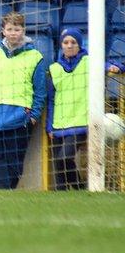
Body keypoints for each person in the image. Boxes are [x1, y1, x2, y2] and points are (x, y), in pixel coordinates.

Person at [46, 28, 125, 190]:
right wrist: (49, 126)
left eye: (73, 42)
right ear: (61, 45)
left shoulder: (89, 62)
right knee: (58, 167)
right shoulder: (55, 68)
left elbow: (111, 65)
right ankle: (62, 201)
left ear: (79, 45)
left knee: (64, 158)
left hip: (80, 122)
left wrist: (116, 67)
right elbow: (51, 101)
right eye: (65, 42)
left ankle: (80, 188)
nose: (69, 46)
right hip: (59, 124)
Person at [0, 11, 47, 189]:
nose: (13, 33)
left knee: (14, 162)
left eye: (17, 29)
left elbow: (40, 91)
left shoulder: (35, 57)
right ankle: (3, 194)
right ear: (3, 31)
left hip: (20, 117)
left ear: (23, 30)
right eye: (9, 29)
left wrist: (33, 115)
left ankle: (5, 194)